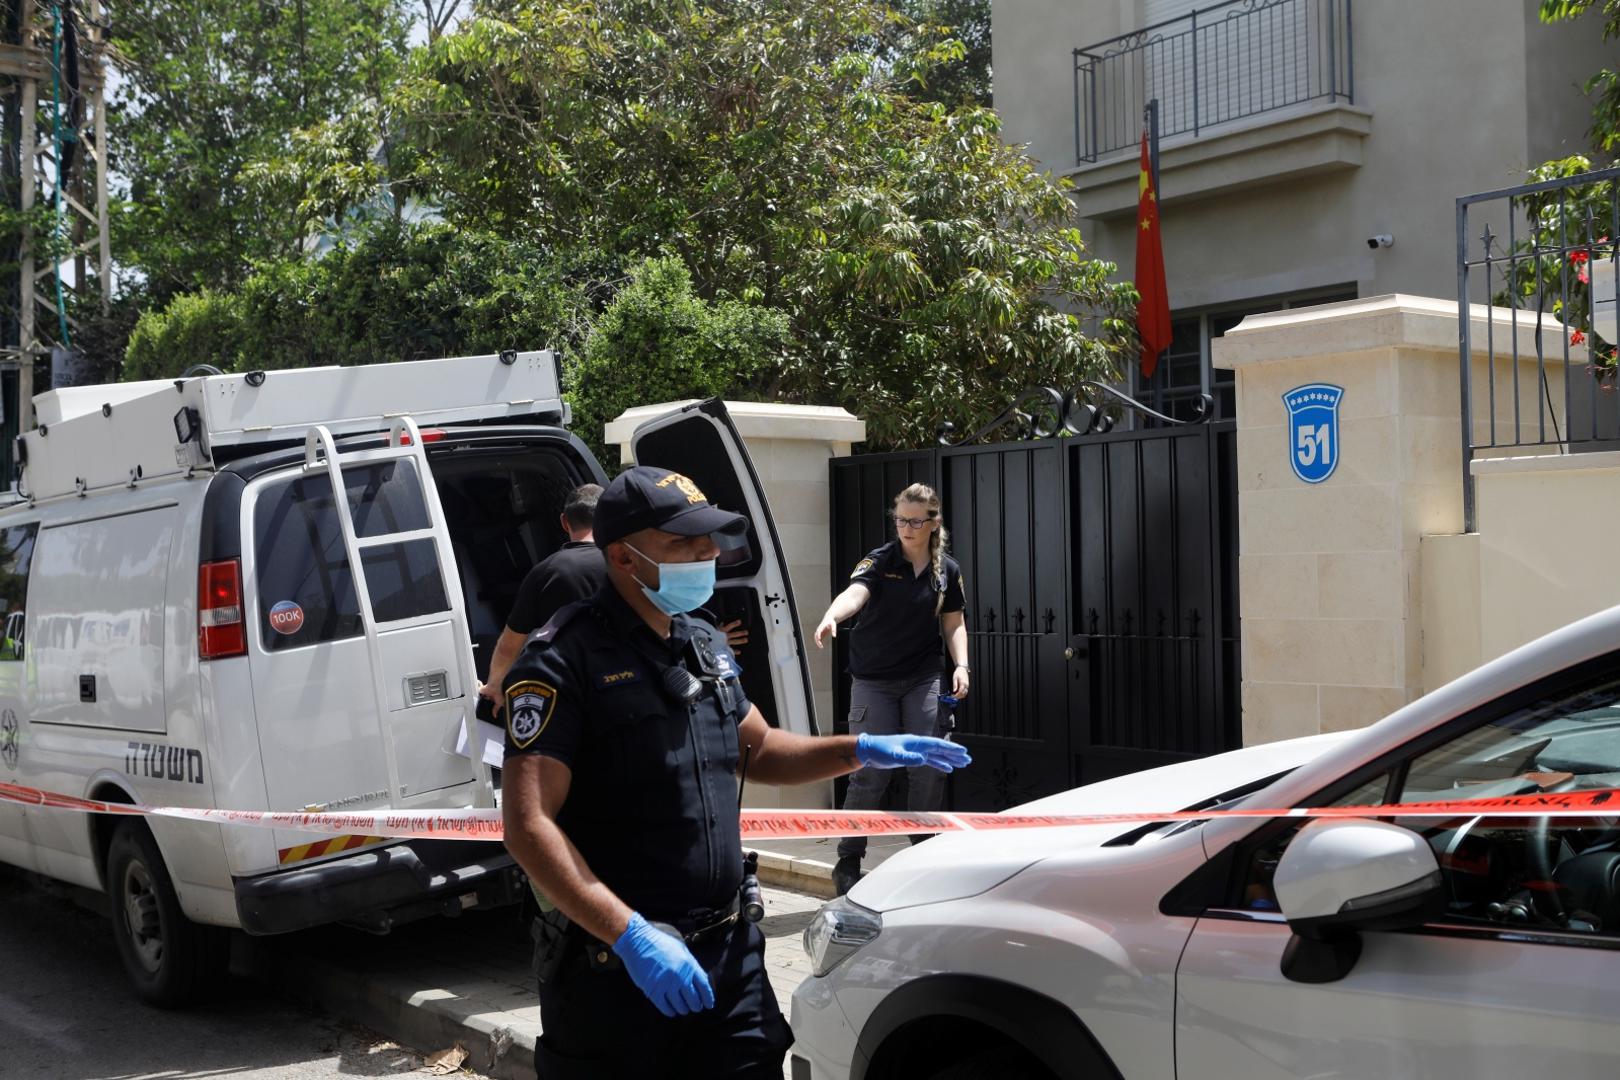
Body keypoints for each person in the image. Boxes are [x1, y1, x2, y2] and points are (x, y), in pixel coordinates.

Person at [501, 465, 969, 1079]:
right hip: (616, 967)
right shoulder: (562, 659)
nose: (707, 554)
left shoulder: (701, 643)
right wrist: (630, 936)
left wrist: (863, 747)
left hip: (729, 954)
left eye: (709, 540)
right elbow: (528, 824)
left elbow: (762, 749)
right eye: (685, 544)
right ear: (623, 556)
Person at [813, 482, 969, 896]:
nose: (906, 527)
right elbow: (856, 592)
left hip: (923, 674)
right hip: (874, 680)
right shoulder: (880, 561)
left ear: (933, 523)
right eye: (900, 519)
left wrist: (962, 666)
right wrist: (832, 616)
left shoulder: (946, 570)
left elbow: (953, 622)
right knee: (870, 771)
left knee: (928, 762)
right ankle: (848, 859)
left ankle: (922, 848)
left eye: (916, 521)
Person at [479, 484, 607, 716]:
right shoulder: (628, 563)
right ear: (608, 519)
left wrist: (495, 686)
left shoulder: (544, 573)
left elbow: (509, 646)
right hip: (627, 690)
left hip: (571, 693)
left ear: (564, 522)